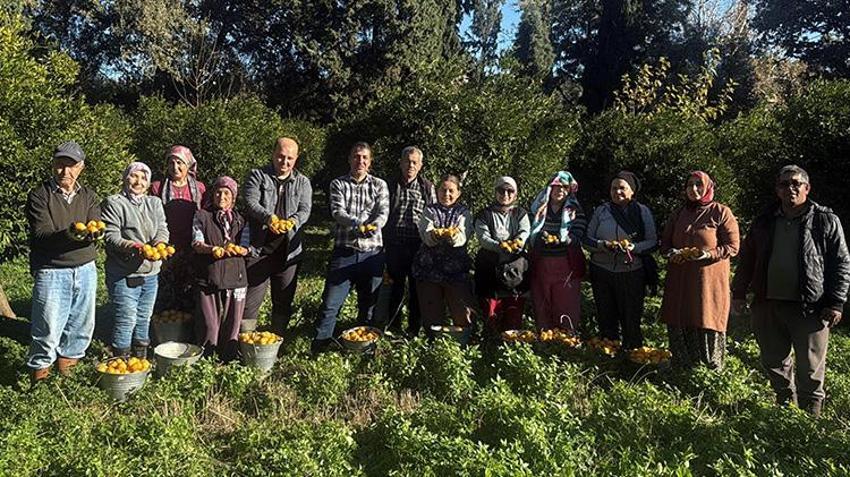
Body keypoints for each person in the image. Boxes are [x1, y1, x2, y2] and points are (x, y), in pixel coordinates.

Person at [732, 165, 849, 416]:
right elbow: (747, 259)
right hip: (768, 303)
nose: (790, 188)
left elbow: (841, 262)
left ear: (807, 188)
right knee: (774, 362)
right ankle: (786, 413)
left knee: (811, 368)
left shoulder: (825, 220)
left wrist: (836, 301)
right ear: (777, 190)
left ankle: (810, 421)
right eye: (784, 184)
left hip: (810, 306)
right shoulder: (764, 221)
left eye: (796, 183)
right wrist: (739, 293)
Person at [25, 141, 101, 382]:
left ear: (81, 167)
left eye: (71, 166)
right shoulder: (40, 196)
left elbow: (95, 225)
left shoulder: (88, 196)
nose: (65, 171)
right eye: (60, 164)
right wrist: (72, 233)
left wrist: (93, 233)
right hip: (52, 270)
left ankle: (67, 375)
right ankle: (40, 381)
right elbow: (42, 235)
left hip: (85, 269)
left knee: (80, 325)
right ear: (53, 165)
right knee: (47, 327)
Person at [312, 142, 388, 353]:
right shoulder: (338, 184)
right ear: (349, 159)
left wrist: (373, 226)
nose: (360, 161)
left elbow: (383, 213)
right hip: (345, 250)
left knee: (368, 304)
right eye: (356, 156)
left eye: (364, 157)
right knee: (330, 303)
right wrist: (359, 224)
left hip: (372, 253)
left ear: (370, 162)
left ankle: (364, 348)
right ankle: (320, 347)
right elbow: (338, 212)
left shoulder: (379, 185)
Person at [660, 170, 739, 370]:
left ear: (708, 187)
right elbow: (665, 244)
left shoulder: (721, 212)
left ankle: (709, 369)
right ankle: (682, 366)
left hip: (707, 280)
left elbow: (733, 246)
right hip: (680, 278)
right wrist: (672, 253)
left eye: (698, 185)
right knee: (680, 315)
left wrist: (707, 254)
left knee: (706, 315)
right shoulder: (678, 213)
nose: (693, 189)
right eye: (689, 185)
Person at [242, 137, 313, 334]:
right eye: (281, 156)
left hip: (288, 253)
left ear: (296, 158)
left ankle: (276, 341)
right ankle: (245, 342)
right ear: (273, 154)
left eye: (290, 158)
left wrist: (292, 222)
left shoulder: (303, 182)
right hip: (260, 249)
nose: (285, 162)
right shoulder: (257, 176)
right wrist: (269, 218)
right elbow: (250, 201)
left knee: (283, 300)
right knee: (250, 302)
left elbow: (305, 210)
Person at [102, 162, 169, 359]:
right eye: (134, 176)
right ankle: (120, 359)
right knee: (126, 318)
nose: (138, 182)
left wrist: (160, 244)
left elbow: (162, 228)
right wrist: (135, 247)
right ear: (125, 178)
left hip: (150, 272)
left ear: (148, 183)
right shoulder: (114, 203)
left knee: (144, 317)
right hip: (124, 272)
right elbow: (110, 236)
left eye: (143, 178)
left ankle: (140, 359)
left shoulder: (154, 203)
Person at [583, 171, 657, 349]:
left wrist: (634, 248)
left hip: (631, 272)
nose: (617, 192)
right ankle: (608, 355)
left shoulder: (642, 212)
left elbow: (653, 242)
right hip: (602, 271)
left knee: (631, 319)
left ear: (632, 191)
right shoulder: (601, 211)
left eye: (622, 188)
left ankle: (633, 355)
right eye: (614, 188)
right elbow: (586, 240)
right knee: (605, 317)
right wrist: (602, 245)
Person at [191, 176, 249, 361]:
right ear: (212, 194)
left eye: (226, 193)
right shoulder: (202, 216)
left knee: (233, 322)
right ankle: (206, 359)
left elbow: (246, 245)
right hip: (209, 273)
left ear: (233, 197)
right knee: (209, 324)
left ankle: (228, 358)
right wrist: (211, 249)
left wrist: (243, 250)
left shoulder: (240, 219)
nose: (222, 197)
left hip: (235, 274)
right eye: (218, 192)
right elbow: (197, 242)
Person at [413, 174, 477, 340]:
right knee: (431, 312)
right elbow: (426, 236)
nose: (446, 194)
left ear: (458, 193)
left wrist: (452, 236)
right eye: (443, 190)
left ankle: (461, 343)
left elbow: (462, 237)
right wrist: (435, 235)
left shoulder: (463, 212)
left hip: (456, 270)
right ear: (437, 191)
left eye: (451, 191)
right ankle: (434, 344)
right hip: (429, 269)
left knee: (462, 312)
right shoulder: (429, 210)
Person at [381, 146, 436, 336]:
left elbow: (433, 215)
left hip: (418, 247)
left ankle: (414, 328)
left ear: (420, 165)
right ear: (401, 163)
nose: (410, 165)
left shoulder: (427, 187)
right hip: (395, 244)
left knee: (416, 288)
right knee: (395, 286)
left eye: (414, 162)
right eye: (407, 161)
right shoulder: (390, 185)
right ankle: (393, 326)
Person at [528, 171, 587, 333]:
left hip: (566, 262)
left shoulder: (574, 209)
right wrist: (540, 237)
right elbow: (529, 227)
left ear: (569, 190)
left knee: (566, 302)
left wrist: (568, 239)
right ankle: (545, 336)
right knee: (542, 301)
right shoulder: (539, 208)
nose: (560, 190)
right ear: (549, 188)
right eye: (556, 187)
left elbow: (580, 229)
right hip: (542, 262)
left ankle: (566, 337)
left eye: (564, 187)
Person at [150, 145, 207, 312]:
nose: (175, 167)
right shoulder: (157, 187)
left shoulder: (200, 188)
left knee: (190, 293)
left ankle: (189, 326)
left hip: (192, 247)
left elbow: (204, 217)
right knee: (166, 294)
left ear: (188, 165)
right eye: (171, 163)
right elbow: (152, 219)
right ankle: (165, 325)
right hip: (165, 247)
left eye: (180, 163)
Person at [473, 176, 530, 336]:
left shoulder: (521, 213)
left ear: (515, 194)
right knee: (491, 314)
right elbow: (483, 238)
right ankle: (491, 343)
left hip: (515, 270)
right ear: (495, 192)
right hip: (489, 269)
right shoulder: (484, 215)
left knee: (513, 313)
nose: (505, 194)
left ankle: (511, 344)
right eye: (501, 190)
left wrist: (517, 243)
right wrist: (500, 246)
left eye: (510, 191)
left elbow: (524, 232)